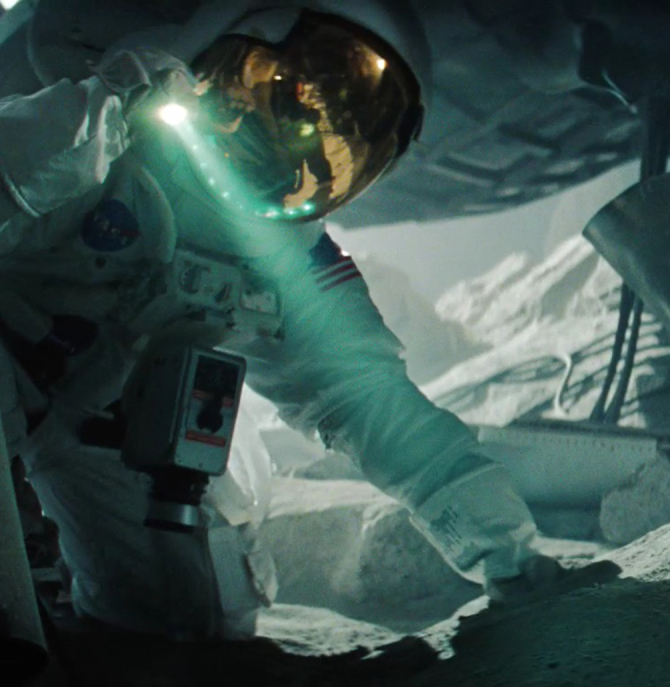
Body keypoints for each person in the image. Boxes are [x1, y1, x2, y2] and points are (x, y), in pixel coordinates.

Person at [0, 3, 563, 640]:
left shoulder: (284, 259)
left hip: (97, 420)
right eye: (283, 99)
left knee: (186, 619)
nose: (294, 139)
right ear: (222, 47)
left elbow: (370, 403)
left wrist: (508, 557)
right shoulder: (93, 127)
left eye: (334, 135)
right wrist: (96, 115)